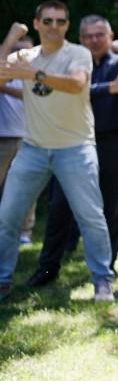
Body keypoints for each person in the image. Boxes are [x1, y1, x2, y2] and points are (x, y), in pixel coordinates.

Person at [0, 1, 115, 303]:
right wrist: (9, 42)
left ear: (67, 25)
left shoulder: (77, 53)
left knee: (91, 217)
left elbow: (77, 84)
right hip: (33, 148)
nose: (54, 27)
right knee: (7, 216)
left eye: (60, 22)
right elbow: (0, 76)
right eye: (48, 21)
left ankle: (102, 280)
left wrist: (33, 74)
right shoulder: (25, 55)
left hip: (76, 148)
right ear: (36, 24)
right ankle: (2, 280)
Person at [27, 14, 118, 287]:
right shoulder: (70, 62)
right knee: (60, 205)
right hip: (73, 141)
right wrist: (110, 88)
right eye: (88, 36)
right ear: (80, 38)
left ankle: (106, 270)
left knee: (109, 206)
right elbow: (72, 90)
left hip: (111, 141)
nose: (94, 40)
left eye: (100, 34)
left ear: (111, 37)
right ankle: (48, 267)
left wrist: (100, 88)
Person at [0, 28, 36, 246]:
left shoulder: (36, 74)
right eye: (16, 50)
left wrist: (4, 89)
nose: (21, 55)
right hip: (2, 138)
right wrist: (10, 37)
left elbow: (29, 95)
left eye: (26, 52)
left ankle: (25, 232)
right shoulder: (4, 70)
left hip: (28, 140)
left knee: (26, 188)